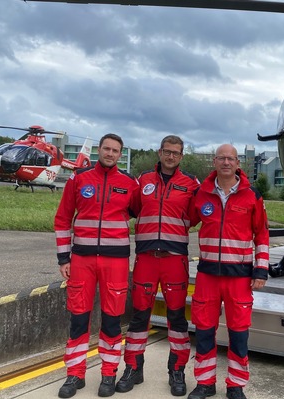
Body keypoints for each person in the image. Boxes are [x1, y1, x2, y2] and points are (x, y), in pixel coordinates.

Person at [54, 133, 139, 398]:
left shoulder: (129, 184)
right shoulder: (79, 179)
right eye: (106, 148)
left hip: (116, 261)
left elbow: (141, 212)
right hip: (82, 260)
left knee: (112, 320)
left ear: (120, 154)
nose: (110, 153)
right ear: (99, 150)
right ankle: (74, 374)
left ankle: (108, 374)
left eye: (115, 150)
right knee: (78, 318)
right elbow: (62, 219)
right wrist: (63, 258)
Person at [115, 135, 200, 396]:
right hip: (147, 259)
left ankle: (176, 372)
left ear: (181, 156)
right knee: (139, 316)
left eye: (176, 153)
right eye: (167, 151)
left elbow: (196, 217)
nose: (171, 156)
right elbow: (133, 208)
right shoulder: (143, 181)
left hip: (175, 260)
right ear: (160, 152)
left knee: (176, 319)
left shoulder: (191, 185)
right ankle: (133, 368)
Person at [187, 144, 270, 399]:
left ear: (238, 163)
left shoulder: (252, 196)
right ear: (214, 162)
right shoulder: (201, 193)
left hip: (240, 277)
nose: (225, 162)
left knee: (238, 333)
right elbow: (185, 220)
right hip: (208, 276)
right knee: (203, 330)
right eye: (221, 158)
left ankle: (235, 385)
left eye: (230, 158)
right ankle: (205, 383)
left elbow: (262, 234)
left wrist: (261, 270)